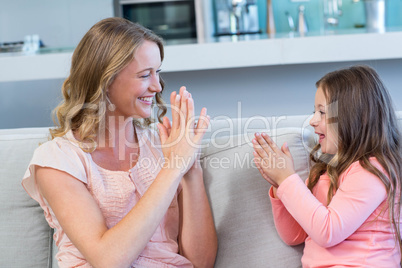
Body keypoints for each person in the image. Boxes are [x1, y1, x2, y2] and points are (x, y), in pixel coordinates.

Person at [22, 17, 217, 268]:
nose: (157, 86)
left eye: (157, 72)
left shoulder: (165, 145)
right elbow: (108, 260)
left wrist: (190, 168)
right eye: (145, 75)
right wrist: (173, 168)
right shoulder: (58, 160)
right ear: (105, 80)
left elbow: (201, 263)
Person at [252, 65, 402, 267]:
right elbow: (294, 235)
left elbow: (328, 232)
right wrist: (280, 186)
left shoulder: (374, 169)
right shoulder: (324, 173)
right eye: (314, 112)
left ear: (357, 117)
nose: (313, 121)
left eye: (322, 113)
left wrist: (287, 179)